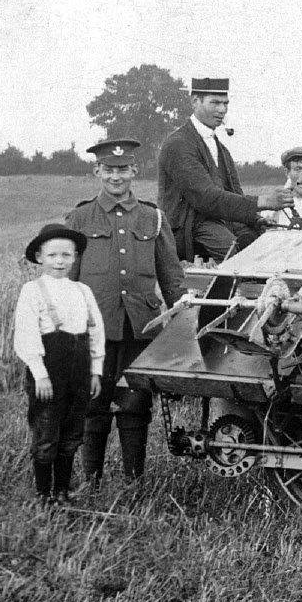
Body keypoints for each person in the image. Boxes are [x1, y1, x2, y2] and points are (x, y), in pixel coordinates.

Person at [65, 138, 190, 489]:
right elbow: (67, 279)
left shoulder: (152, 217)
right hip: (95, 328)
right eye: (109, 170)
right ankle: (93, 480)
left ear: (134, 171)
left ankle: (134, 480)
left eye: (123, 169)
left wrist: (182, 317)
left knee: (135, 404)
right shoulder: (79, 217)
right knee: (94, 402)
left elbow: (171, 276)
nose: (116, 176)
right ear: (97, 172)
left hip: (140, 327)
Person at [12, 223, 106, 503]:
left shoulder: (82, 291)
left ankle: (62, 492)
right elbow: (26, 334)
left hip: (79, 371)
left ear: (75, 257)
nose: (59, 261)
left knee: (72, 433)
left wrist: (96, 372)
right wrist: (39, 374)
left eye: (66, 255)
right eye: (52, 255)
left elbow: (96, 332)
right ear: (40, 257)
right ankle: (43, 494)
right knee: (46, 433)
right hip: (49, 373)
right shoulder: (32, 290)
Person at [157, 77, 291, 260]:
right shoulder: (178, 144)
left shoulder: (221, 149)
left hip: (218, 220)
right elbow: (206, 199)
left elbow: (235, 192)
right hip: (187, 227)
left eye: (225, 103)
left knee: (258, 241)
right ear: (195, 101)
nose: (222, 110)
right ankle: (221, 288)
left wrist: (257, 219)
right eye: (215, 103)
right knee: (229, 248)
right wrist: (265, 201)